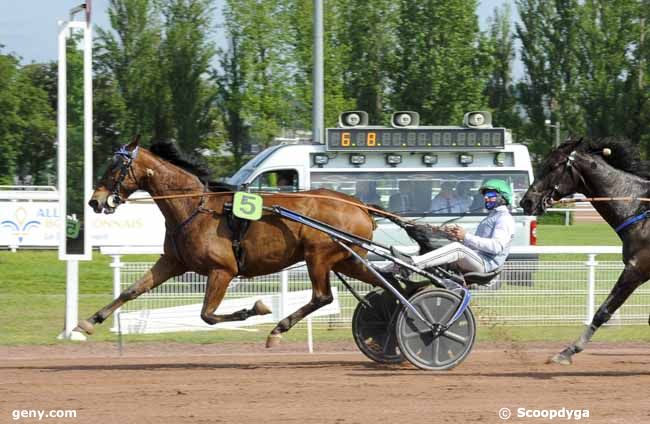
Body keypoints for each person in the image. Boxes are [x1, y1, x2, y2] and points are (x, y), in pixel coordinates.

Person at [399, 179, 515, 276]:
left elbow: (496, 247)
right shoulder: (493, 216)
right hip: (478, 259)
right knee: (439, 245)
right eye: (485, 196)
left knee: (457, 249)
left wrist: (466, 236)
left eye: (490, 196)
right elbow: (477, 244)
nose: (486, 199)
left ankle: (412, 263)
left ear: (502, 198)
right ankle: (393, 267)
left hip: (486, 264)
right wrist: (456, 236)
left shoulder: (504, 218)